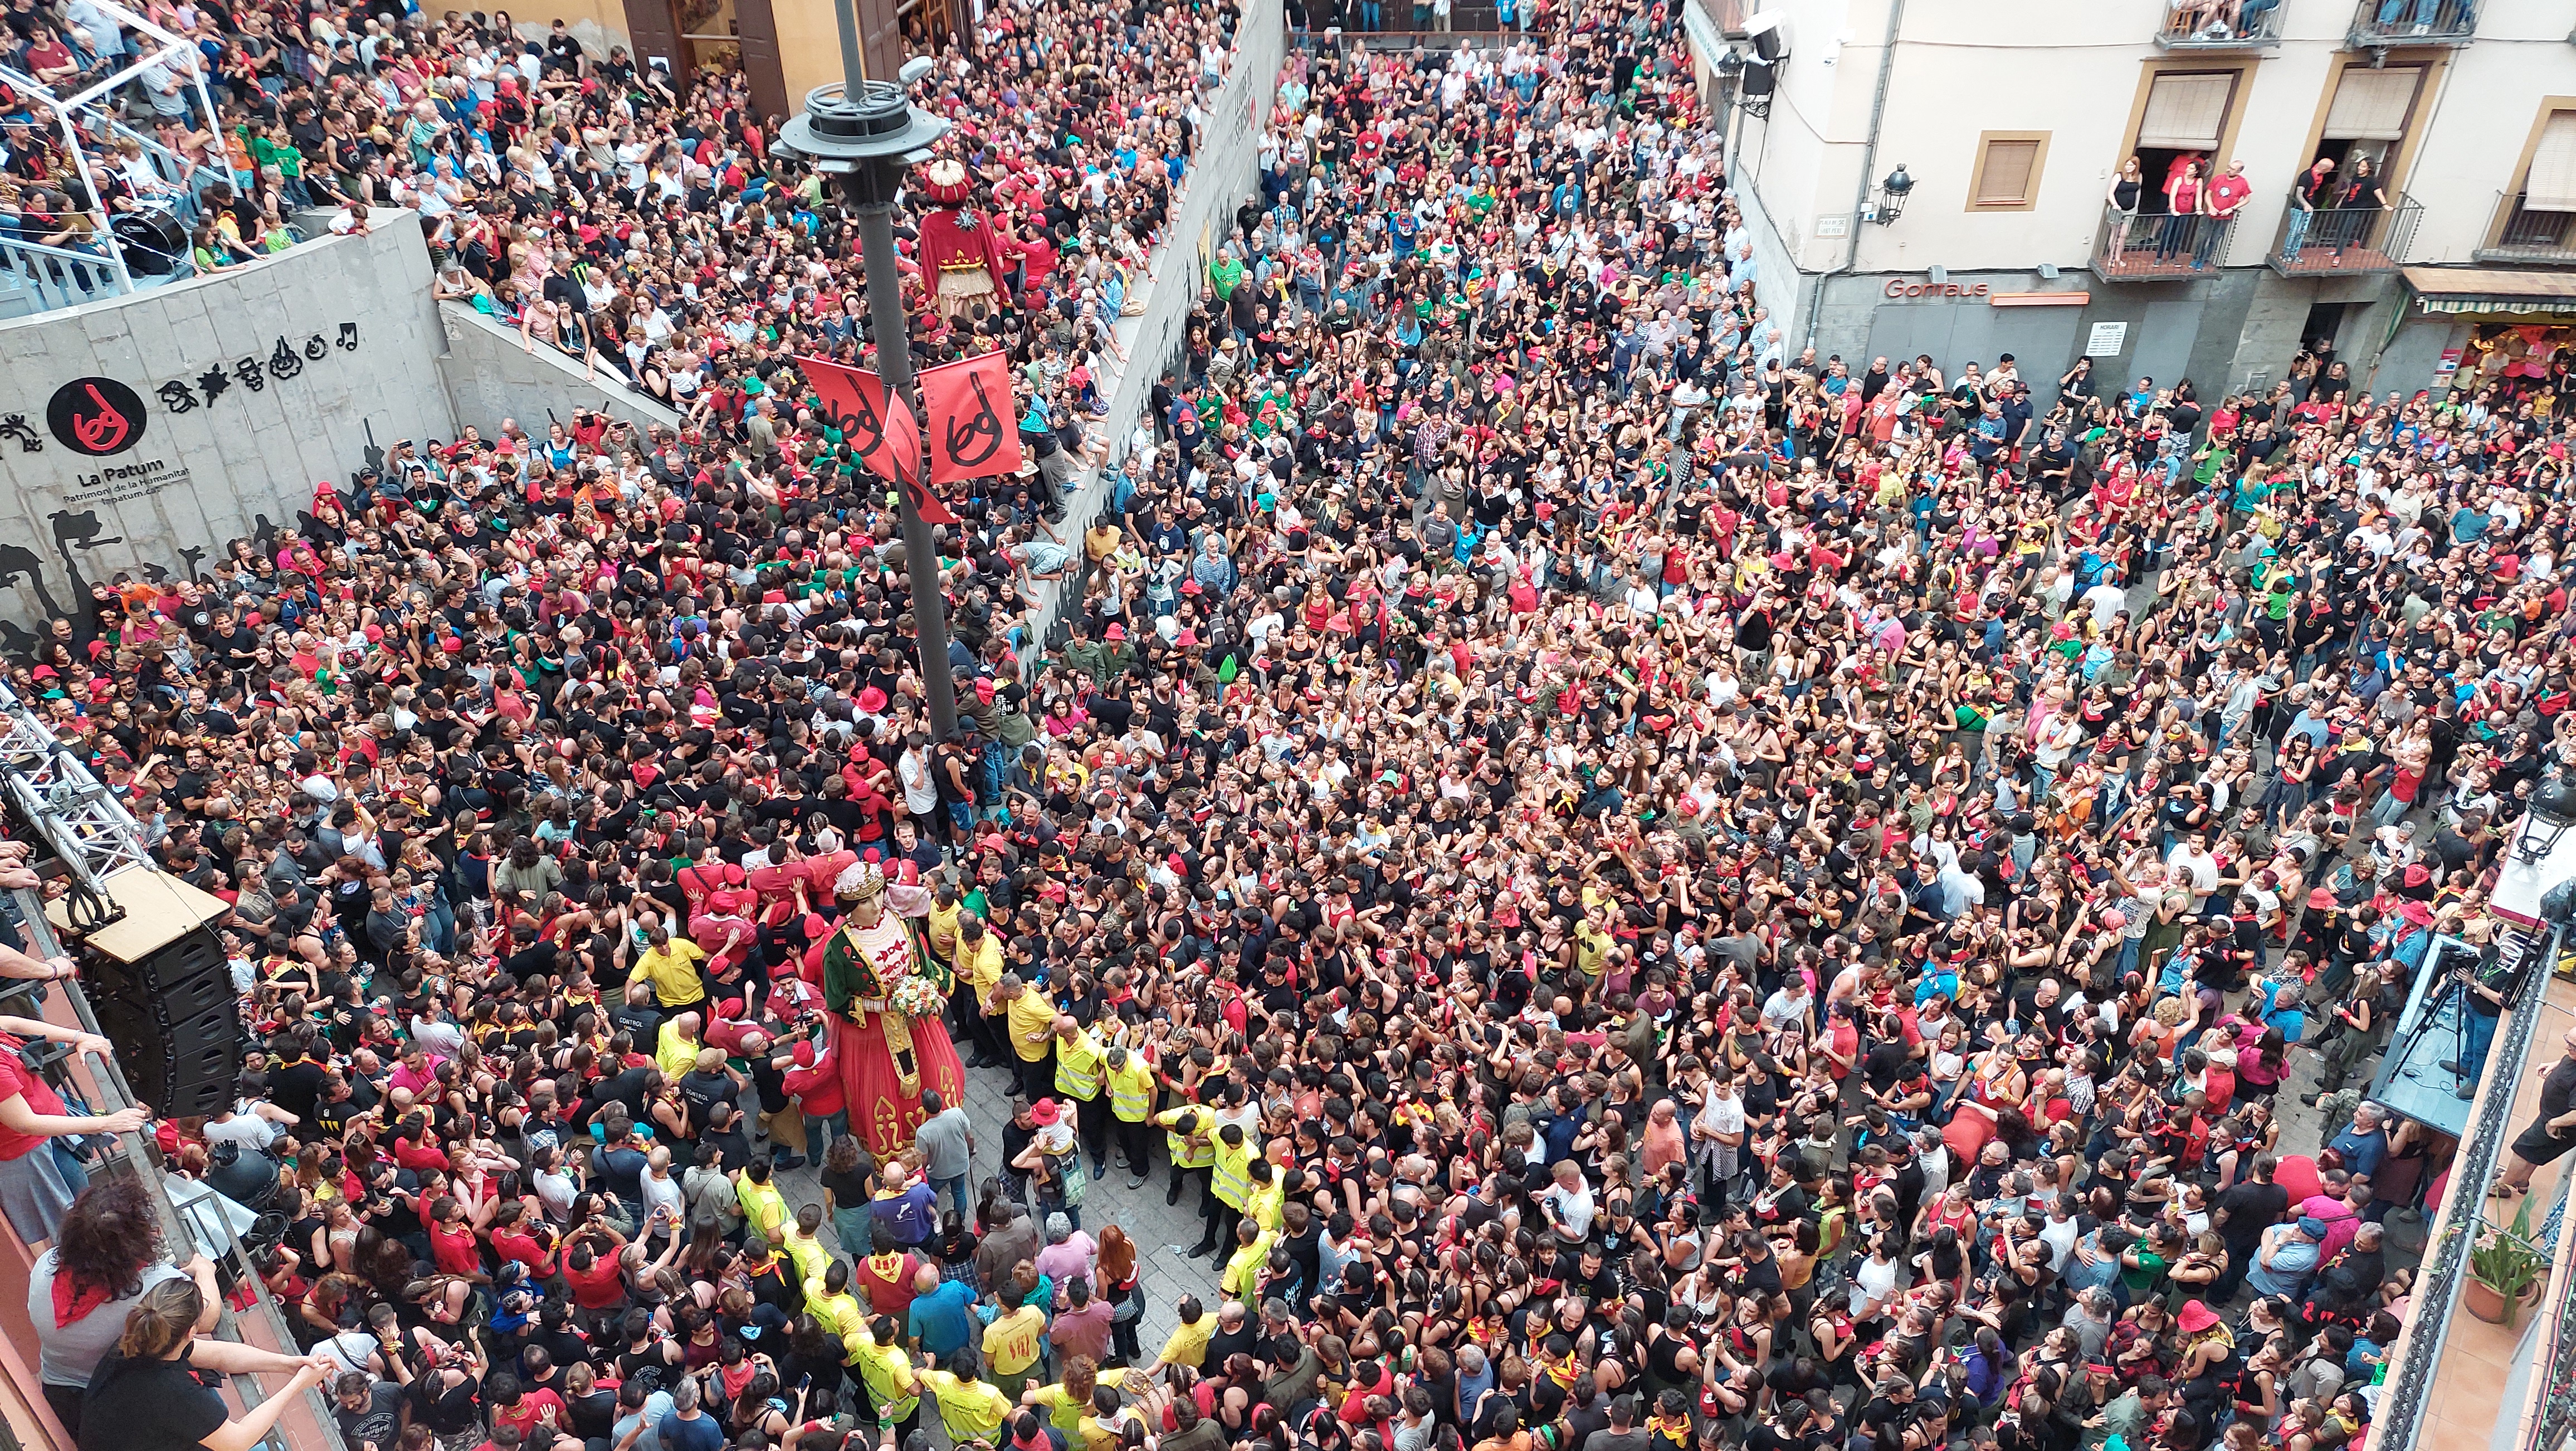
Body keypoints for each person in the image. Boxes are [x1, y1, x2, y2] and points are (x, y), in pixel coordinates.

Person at [30, 1177, 221, 1434]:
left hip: (57, 1390)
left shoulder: (46, 1263)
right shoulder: (157, 1285)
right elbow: (207, 1319)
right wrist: (204, 1269)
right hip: (115, 1399)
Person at [76, 1278, 329, 1451]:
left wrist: (287, 1364)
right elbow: (238, 1441)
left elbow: (220, 1355)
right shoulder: (176, 1393)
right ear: (191, 1331)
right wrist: (297, 1385)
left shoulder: (137, 1341)